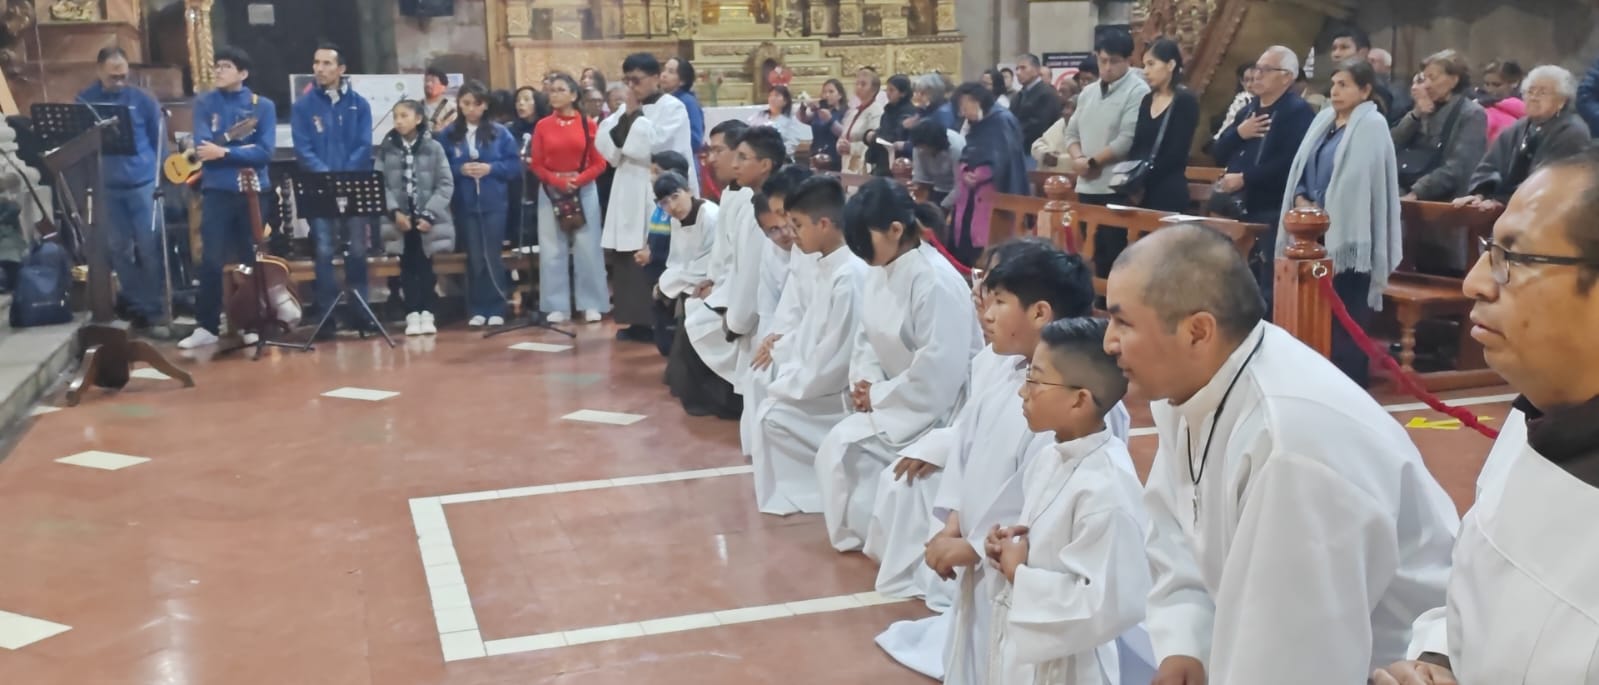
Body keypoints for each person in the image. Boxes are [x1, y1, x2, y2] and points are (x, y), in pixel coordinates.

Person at [1102, 223, 1458, 685]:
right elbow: (1177, 523)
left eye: (1123, 321)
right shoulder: (1192, 383)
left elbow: (1294, 658)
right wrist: (1188, 643)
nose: (1109, 341)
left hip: (1393, 662)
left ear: (1197, 331)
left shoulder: (1288, 444)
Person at [1372, 149, 1599, 685]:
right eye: (1489, 249)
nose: (1475, 282)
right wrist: (1438, 660)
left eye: (1511, 259)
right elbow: (1476, 590)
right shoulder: (1537, 415)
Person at [875, 240, 1134, 682]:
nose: (987, 315)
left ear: (1039, 313)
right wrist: (954, 524)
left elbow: (1035, 504)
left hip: (1022, 577)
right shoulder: (1005, 373)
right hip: (991, 564)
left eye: (999, 301)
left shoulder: (1083, 414)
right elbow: (966, 451)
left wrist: (975, 548)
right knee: (976, 657)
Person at [814, 178, 982, 553]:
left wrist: (880, 394)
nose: (858, 252)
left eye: (863, 240)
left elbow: (938, 369)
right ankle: (865, 534)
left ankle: (882, 541)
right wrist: (866, 383)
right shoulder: (882, 266)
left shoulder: (935, 281)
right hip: (893, 397)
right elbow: (867, 336)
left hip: (942, 409)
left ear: (895, 229)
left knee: (844, 448)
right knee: (837, 447)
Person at [983, 316, 1150, 685]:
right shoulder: (1049, 457)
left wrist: (1018, 573)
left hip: (1073, 668)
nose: (1022, 392)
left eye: (1035, 379)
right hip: (1029, 653)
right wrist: (1004, 546)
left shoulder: (1107, 486)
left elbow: (1107, 604)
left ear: (1079, 400)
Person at [749, 175, 869, 515]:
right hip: (817, 373)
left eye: (797, 224)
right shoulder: (826, 265)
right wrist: (781, 349)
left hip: (838, 393)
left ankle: (811, 489)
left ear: (826, 223)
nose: (792, 234)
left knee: (772, 411)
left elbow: (835, 357)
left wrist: (789, 380)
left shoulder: (849, 275)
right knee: (763, 378)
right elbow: (810, 329)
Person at [1281, 59, 1403, 387]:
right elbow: (1302, 168)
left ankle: (1347, 382)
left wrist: (1327, 213)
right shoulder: (1323, 121)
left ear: (1365, 90)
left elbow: (1359, 185)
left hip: (1351, 235)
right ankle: (1313, 376)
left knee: (1346, 315)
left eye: (1344, 85)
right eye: (1333, 84)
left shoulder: (1371, 126)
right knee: (1314, 311)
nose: (1335, 91)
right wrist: (1302, 198)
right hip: (1311, 233)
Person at [680, 126, 785, 417]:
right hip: (754, 306)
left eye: (743, 157)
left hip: (770, 321)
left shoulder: (764, 212)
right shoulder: (748, 201)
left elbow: (754, 274)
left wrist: (736, 321)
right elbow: (736, 261)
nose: (734, 164)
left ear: (764, 165)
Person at [178, 47, 277, 350]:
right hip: (217, 190)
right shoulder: (205, 102)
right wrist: (231, 152)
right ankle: (207, 325)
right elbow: (204, 148)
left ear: (243, 74)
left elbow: (264, 153)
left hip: (252, 191)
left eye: (226, 66)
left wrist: (225, 153)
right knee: (210, 259)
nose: (219, 71)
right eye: (217, 66)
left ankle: (251, 322)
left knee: (250, 259)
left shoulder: (263, 106)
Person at [598, 52, 699, 341]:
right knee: (627, 254)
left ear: (656, 78)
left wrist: (633, 117)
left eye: (637, 80)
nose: (631, 87)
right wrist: (628, 116)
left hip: (657, 185)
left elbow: (655, 146)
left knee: (657, 251)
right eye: (627, 80)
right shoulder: (627, 109)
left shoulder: (673, 108)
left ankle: (661, 320)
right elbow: (607, 144)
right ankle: (636, 320)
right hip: (627, 186)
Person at [1211, 45, 1316, 304]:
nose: (1257, 75)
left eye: (1266, 70)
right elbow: (1218, 152)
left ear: (1287, 77)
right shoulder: (1248, 109)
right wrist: (1239, 133)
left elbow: (1289, 163)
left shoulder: (1297, 112)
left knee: (1264, 281)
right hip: (1234, 205)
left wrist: (1246, 179)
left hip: (1271, 207)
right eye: (1256, 68)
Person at [79, 46, 167, 336]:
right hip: (107, 186)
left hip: (142, 184)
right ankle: (138, 304)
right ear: (99, 71)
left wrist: (160, 177)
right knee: (118, 250)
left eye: (123, 75)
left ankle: (155, 310)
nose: (119, 81)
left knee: (149, 247)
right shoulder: (85, 100)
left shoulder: (142, 100)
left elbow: (159, 142)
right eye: (113, 76)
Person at [291, 42, 374, 336]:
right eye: (316, 63)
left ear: (341, 69)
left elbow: (364, 144)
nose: (320, 69)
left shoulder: (359, 104)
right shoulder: (303, 106)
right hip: (319, 186)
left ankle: (362, 312)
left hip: (354, 184)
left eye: (327, 63)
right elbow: (303, 147)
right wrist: (326, 175)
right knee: (324, 250)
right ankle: (326, 316)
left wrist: (345, 175)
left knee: (358, 250)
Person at [1062, 29, 1150, 275]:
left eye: (1115, 61)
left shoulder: (1137, 90)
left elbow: (1126, 139)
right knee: (1089, 254)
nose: (1107, 67)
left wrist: (1091, 162)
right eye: (1103, 61)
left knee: (1114, 256)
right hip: (1086, 186)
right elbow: (1071, 133)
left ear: (1128, 60)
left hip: (1115, 187)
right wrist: (1077, 158)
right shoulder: (1088, 92)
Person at [1455, 64, 1591, 214]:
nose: (1533, 97)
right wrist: (1480, 194)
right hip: (1506, 209)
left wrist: (1502, 201)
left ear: (1562, 101)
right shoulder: (1518, 128)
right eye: (1530, 91)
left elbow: (1548, 181)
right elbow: (1489, 165)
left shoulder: (1572, 131)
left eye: (1542, 93)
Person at [530, 72, 609, 324]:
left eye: (560, 90)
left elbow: (600, 163)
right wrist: (557, 181)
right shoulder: (542, 126)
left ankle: (592, 303)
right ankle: (556, 305)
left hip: (583, 188)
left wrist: (579, 180)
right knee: (552, 248)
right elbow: (537, 164)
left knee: (588, 246)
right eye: (551, 90)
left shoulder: (588, 124)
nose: (554, 94)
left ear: (574, 95)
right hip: (551, 190)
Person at [440, 80, 520, 327]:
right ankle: (477, 307)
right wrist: (460, 169)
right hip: (465, 203)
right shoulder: (449, 134)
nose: (471, 109)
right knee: (474, 256)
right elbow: (441, 168)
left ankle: (496, 306)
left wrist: (491, 168)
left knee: (491, 255)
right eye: (465, 103)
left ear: (485, 105)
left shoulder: (500, 132)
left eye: (476, 104)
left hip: (494, 202)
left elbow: (514, 166)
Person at [377, 100, 454, 337]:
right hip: (400, 219)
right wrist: (394, 212)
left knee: (425, 263)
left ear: (418, 119)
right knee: (406, 264)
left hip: (426, 218)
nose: (398, 121)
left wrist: (429, 214)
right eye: (395, 116)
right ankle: (411, 312)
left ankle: (428, 311)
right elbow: (380, 183)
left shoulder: (434, 148)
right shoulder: (387, 147)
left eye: (404, 116)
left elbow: (445, 183)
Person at [950, 82, 1029, 267]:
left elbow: (1004, 157)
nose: (962, 113)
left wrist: (980, 175)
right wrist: (965, 171)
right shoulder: (976, 124)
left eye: (964, 106)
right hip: (969, 191)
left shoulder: (1002, 120)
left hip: (992, 191)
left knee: (989, 247)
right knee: (963, 242)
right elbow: (968, 152)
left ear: (976, 101)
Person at [1393, 49, 1488, 202]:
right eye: (1424, 79)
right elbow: (1393, 143)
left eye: (1433, 78)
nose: (1427, 85)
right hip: (1407, 190)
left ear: (1453, 80)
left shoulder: (1472, 114)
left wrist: (1417, 192)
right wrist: (1416, 113)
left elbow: (1459, 166)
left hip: (1447, 201)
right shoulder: (1423, 107)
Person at [1127, 39, 1200, 213]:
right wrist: (1132, 180)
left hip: (1168, 188)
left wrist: (1145, 178)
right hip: (1141, 189)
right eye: (1144, 65)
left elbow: (1177, 151)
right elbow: (1138, 143)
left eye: (1151, 64)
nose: (1146, 71)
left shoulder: (1185, 100)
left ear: (1170, 65)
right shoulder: (1147, 100)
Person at [508, 85, 552, 246]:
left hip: (543, 188)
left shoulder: (547, 127)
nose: (521, 104)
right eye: (518, 100)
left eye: (526, 99)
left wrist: (534, 163)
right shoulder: (509, 131)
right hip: (518, 190)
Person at [1330, 27, 1394, 115]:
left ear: (1363, 53)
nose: (1336, 54)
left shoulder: (1378, 93)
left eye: (1344, 47)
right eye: (1334, 48)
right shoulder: (1330, 87)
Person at [1011, 54, 1065, 159]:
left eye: (1023, 68)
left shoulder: (1047, 93)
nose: (1018, 73)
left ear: (1036, 70)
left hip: (1036, 151)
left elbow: (1039, 125)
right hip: (1017, 150)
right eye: (1016, 69)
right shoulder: (1018, 95)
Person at [661, 57, 706, 175]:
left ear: (682, 81)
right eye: (664, 70)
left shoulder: (688, 101)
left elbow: (696, 139)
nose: (664, 75)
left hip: (684, 163)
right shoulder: (662, 101)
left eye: (670, 72)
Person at [836, 68, 885, 174]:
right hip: (847, 161)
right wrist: (839, 145)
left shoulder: (876, 111)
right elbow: (844, 135)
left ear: (874, 89)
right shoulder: (854, 111)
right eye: (857, 83)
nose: (858, 87)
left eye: (863, 84)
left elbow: (874, 141)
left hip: (863, 165)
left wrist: (852, 148)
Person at [908, 118, 964, 208]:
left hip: (957, 189)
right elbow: (920, 179)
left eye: (925, 147)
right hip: (935, 187)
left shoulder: (956, 149)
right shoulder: (918, 145)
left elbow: (960, 186)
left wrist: (941, 207)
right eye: (919, 147)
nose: (921, 151)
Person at [798, 78, 846, 171]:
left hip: (835, 158)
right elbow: (803, 118)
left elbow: (843, 132)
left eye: (831, 92)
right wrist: (804, 107)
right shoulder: (819, 111)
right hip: (816, 155)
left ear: (840, 95)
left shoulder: (844, 112)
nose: (827, 95)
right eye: (824, 92)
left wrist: (830, 120)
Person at [1478, 60, 1526, 142]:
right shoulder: (1478, 107)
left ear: (1514, 83)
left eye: (1496, 85)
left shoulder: (1531, 113)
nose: (1490, 89)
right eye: (1487, 84)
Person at [423, 66, 457, 131]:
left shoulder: (452, 108)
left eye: (433, 81)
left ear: (444, 87)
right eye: (426, 81)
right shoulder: (416, 106)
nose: (428, 84)